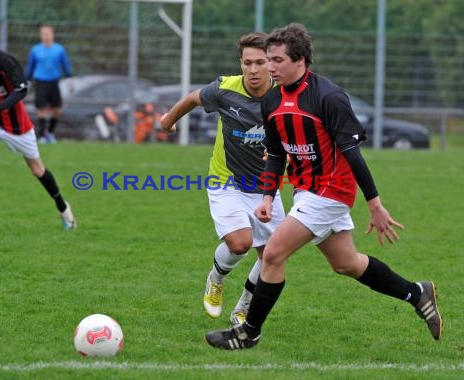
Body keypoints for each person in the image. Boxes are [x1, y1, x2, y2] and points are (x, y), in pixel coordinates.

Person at [205, 23, 442, 349]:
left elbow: (353, 154)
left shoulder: (328, 97)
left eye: (277, 60)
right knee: (346, 263)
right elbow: (274, 154)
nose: (270, 67)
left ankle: (248, 332)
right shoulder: (272, 100)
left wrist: (375, 204)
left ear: (300, 60)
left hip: (331, 190)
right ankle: (417, 293)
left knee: (273, 254)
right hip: (305, 190)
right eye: (268, 60)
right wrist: (267, 198)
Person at [160, 33, 285, 325]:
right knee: (240, 243)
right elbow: (193, 98)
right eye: (247, 63)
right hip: (225, 180)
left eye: (260, 62)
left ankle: (243, 308)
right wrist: (168, 121)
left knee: (272, 257)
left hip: (266, 187)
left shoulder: (284, 94)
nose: (253, 69)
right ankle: (216, 279)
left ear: (271, 63)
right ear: (240, 64)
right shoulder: (225, 89)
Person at [0, 19, 76, 230]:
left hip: (16, 124)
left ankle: (64, 209)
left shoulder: (3, 60)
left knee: (37, 170)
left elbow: (21, 89)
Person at [25, 23, 72, 144]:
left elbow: (65, 65)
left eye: (48, 33)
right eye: (43, 33)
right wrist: (27, 81)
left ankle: (50, 133)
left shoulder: (59, 49)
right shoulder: (35, 50)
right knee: (41, 109)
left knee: (57, 110)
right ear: (40, 35)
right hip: (40, 82)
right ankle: (41, 136)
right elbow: (30, 67)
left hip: (54, 82)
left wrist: (69, 79)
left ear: (52, 34)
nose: (45, 36)